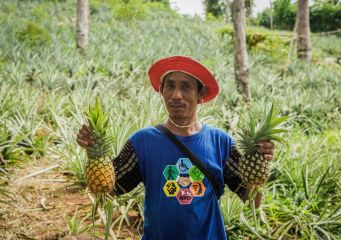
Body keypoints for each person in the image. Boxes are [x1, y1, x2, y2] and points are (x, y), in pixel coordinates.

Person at [76, 56, 274, 240]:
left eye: (186, 87)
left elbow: (253, 200)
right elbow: (107, 192)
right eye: (170, 86)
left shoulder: (220, 142)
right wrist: (93, 153)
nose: (176, 95)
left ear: (201, 94)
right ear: (161, 91)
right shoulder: (142, 142)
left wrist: (259, 162)